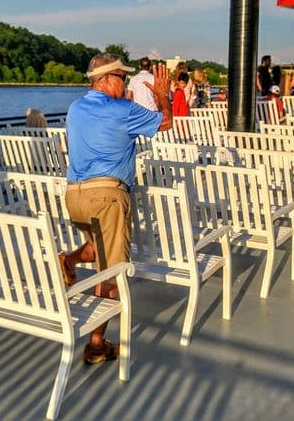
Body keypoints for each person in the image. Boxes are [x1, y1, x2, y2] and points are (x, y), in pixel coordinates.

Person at [59, 53, 172, 365]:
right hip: (107, 196)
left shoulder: (75, 107)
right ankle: (96, 345)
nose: (125, 83)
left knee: (97, 248)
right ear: (107, 79)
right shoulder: (122, 109)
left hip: (75, 194)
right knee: (112, 270)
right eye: (122, 77)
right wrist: (163, 96)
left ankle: (67, 260)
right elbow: (166, 122)